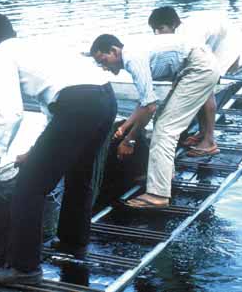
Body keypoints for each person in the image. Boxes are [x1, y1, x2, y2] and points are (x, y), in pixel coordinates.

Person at [0, 12, 117, 285]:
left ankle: (24, 268)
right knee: (79, 176)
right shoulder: (32, 46)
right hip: (105, 99)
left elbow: (11, 113)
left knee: (29, 187)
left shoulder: (0, 55)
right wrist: (34, 151)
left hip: (80, 105)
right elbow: (55, 110)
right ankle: (73, 243)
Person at [90, 33, 219, 209]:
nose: (104, 67)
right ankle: (163, 175)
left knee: (165, 129)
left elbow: (149, 107)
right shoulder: (132, 53)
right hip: (197, 64)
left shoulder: (132, 59)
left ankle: (158, 194)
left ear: (114, 50)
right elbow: (145, 103)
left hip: (198, 67)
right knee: (161, 119)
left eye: (104, 60)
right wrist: (126, 126)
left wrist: (129, 140)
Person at [148, 6, 240, 156]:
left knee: (206, 91)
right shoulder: (178, 35)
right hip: (213, 41)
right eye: (154, 30)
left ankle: (209, 142)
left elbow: (201, 64)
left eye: (160, 28)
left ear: (173, 24)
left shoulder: (190, 35)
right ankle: (202, 133)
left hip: (225, 46)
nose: (157, 33)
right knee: (199, 88)